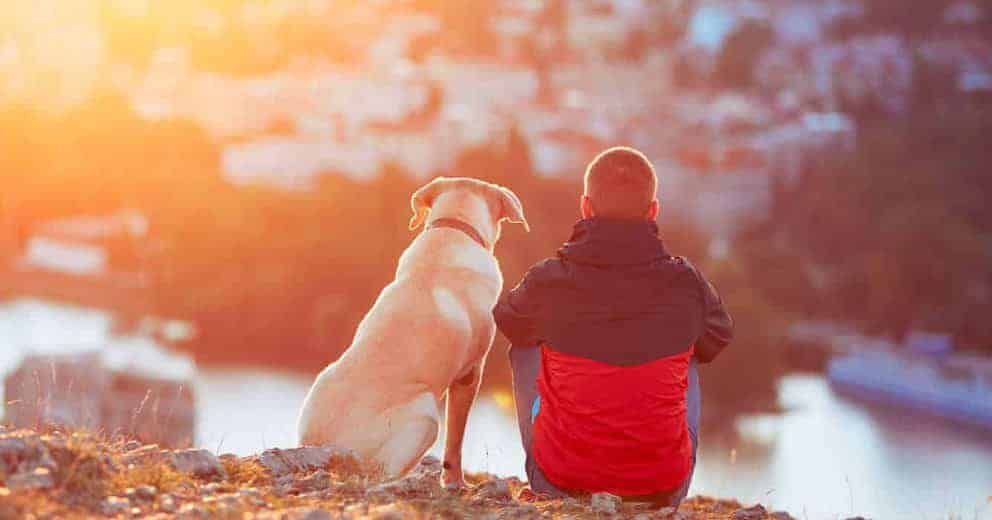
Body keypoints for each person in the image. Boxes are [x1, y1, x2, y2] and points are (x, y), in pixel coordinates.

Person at [493, 146, 734, 506]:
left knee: (525, 343)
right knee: (690, 350)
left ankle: (554, 467)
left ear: (586, 207)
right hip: (662, 487)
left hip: (561, 479)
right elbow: (718, 338)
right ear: (653, 211)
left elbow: (509, 321)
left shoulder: (548, 279)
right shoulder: (687, 283)